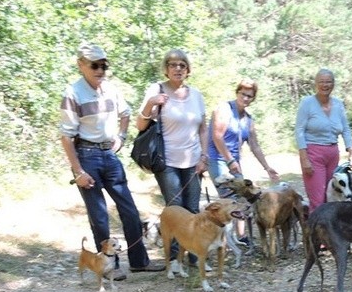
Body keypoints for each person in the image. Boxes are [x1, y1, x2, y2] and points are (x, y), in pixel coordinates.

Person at [60, 42, 164, 278]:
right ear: (81, 65)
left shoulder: (111, 89)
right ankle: (109, 268)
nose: (100, 70)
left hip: (109, 154)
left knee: (129, 209)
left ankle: (139, 261)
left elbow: (126, 113)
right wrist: (78, 172)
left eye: (104, 66)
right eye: (94, 65)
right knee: (99, 215)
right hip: (86, 156)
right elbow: (66, 137)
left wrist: (122, 137)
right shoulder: (73, 93)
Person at [137, 49, 208, 271]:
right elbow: (140, 126)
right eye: (173, 64)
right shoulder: (157, 90)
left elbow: (203, 129)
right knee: (176, 209)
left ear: (188, 70)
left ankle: (196, 256)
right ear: (166, 68)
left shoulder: (196, 95)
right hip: (167, 161)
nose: (177, 68)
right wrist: (151, 103)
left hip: (193, 159)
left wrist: (204, 156)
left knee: (193, 208)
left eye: (182, 65)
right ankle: (175, 260)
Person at [207, 78, 279, 243]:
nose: (245, 98)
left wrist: (267, 167)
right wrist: (230, 160)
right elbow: (217, 137)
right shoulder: (224, 109)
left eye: (249, 96)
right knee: (228, 199)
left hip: (234, 162)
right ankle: (218, 237)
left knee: (242, 197)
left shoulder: (248, 119)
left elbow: (254, 145)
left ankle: (241, 237)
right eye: (243, 94)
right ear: (237, 92)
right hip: (218, 158)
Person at [295, 68, 352, 213]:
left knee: (331, 197)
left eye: (328, 82)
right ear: (316, 84)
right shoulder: (307, 103)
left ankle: (329, 232)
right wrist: (304, 159)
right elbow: (299, 131)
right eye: (321, 82)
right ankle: (315, 233)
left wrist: (351, 153)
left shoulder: (338, 104)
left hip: (333, 153)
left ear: (333, 84)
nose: (325, 85)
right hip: (313, 153)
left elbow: (346, 129)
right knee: (318, 200)